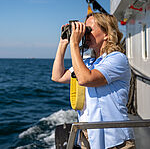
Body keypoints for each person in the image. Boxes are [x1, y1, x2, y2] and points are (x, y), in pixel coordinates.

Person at [51, 13, 135, 149]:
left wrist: (74, 44)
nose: (85, 34)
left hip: (114, 139)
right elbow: (57, 76)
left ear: (107, 34)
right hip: (87, 135)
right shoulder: (88, 62)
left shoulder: (117, 59)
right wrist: (63, 43)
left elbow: (85, 79)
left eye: (89, 30)